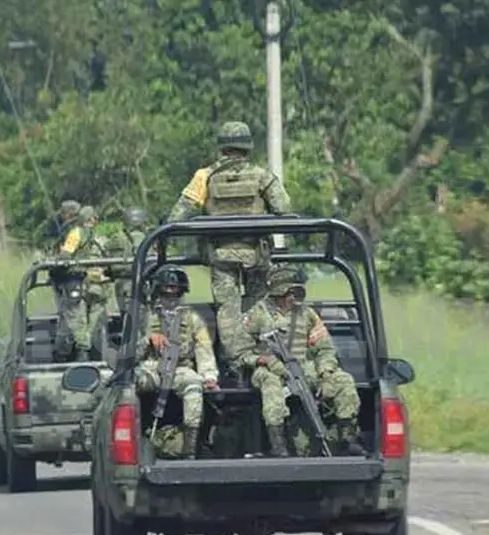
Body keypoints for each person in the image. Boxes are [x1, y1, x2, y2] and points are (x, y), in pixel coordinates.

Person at [165, 120, 291, 362]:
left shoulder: (205, 176)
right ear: (248, 148)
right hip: (256, 254)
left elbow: (179, 214)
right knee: (259, 303)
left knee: (227, 309)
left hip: (220, 254)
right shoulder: (262, 176)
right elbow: (284, 208)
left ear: (222, 148)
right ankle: (263, 354)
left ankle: (237, 360)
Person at [230, 266, 362, 457]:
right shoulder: (258, 313)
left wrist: (326, 374)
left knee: (344, 380)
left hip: (301, 367)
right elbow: (240, 353)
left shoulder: (307, 314)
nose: (296, 296)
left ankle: (346, 438)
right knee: (271, 385)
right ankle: (278, 445)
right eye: (292, 291)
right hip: (268, 369)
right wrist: (264, 360)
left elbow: (325, 349)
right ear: (280, 291)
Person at [134, 264, 220, 459]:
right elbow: (132, 353)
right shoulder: (144, 317)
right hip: (152, 366)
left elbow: (204, 349)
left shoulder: (193, 319)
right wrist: (148, 339)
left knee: (194, 387)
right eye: (167, 289)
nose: (171, 294)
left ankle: (189, 448)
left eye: (175, 289)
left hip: (181, 368)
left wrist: (209, 377)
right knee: (130, 386)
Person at [55, 206, 112, 360]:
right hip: (99, 286)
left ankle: (82, 354)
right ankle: (94, 353)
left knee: (78, 322)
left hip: (80, 283)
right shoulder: (101, 237)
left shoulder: (76, 233)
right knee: (94, 323)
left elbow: (65, 255)